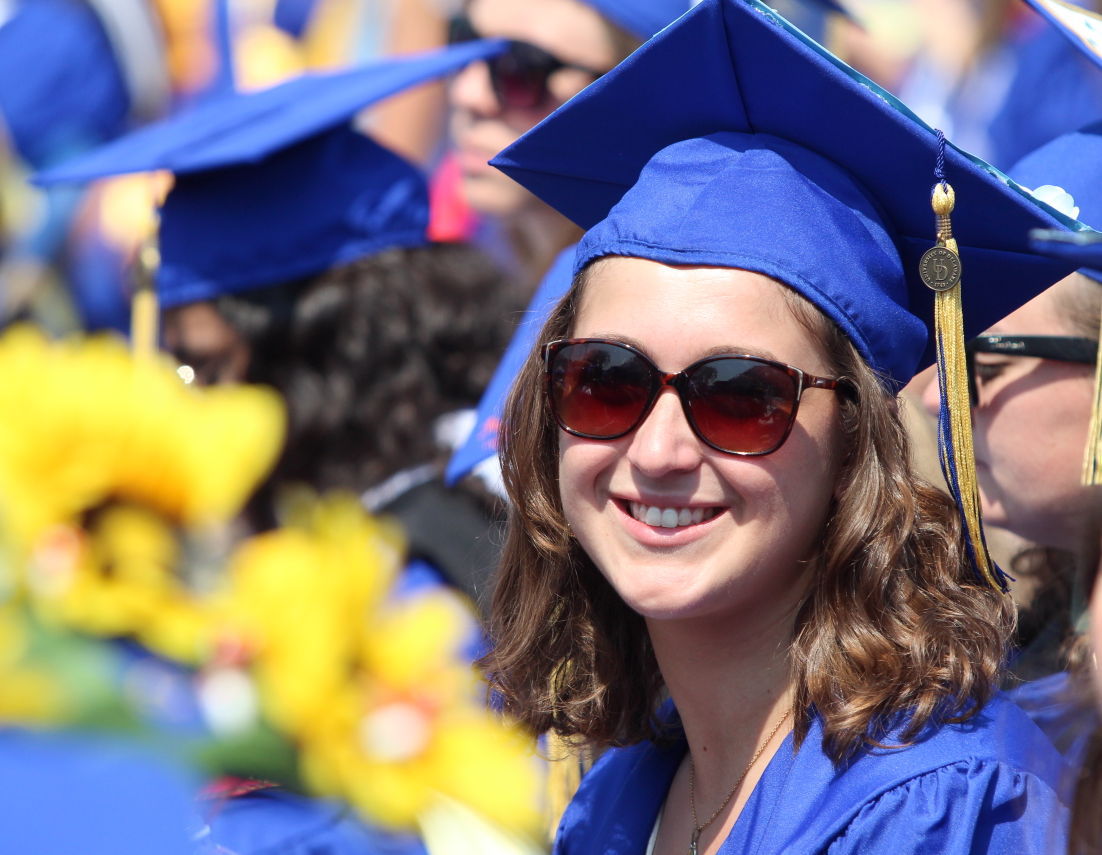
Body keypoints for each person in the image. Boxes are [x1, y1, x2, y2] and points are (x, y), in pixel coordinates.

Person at [475, 0, 1082, 851]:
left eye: (739, 396)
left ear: (854, 443)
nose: (656, 450)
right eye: (606, 380)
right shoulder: (629, 785)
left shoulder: (942, 803)